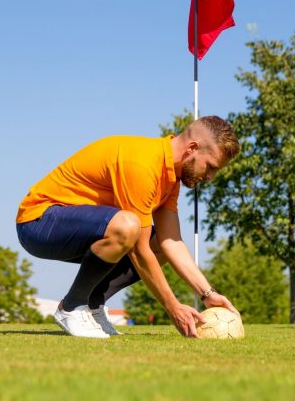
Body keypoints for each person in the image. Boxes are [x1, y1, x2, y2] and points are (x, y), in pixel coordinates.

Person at [15, 116, 240, 338]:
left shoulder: (171, 178)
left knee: (157, 245)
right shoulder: (143, 164)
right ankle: (72, 307)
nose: (210, 177)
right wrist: (173, 307)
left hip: (76, 228)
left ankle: (93, 305)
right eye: (210, 167)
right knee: (128, 226)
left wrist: (207, 293)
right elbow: (139, 252)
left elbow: (170, 240)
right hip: (38, 223)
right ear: (192, 148)